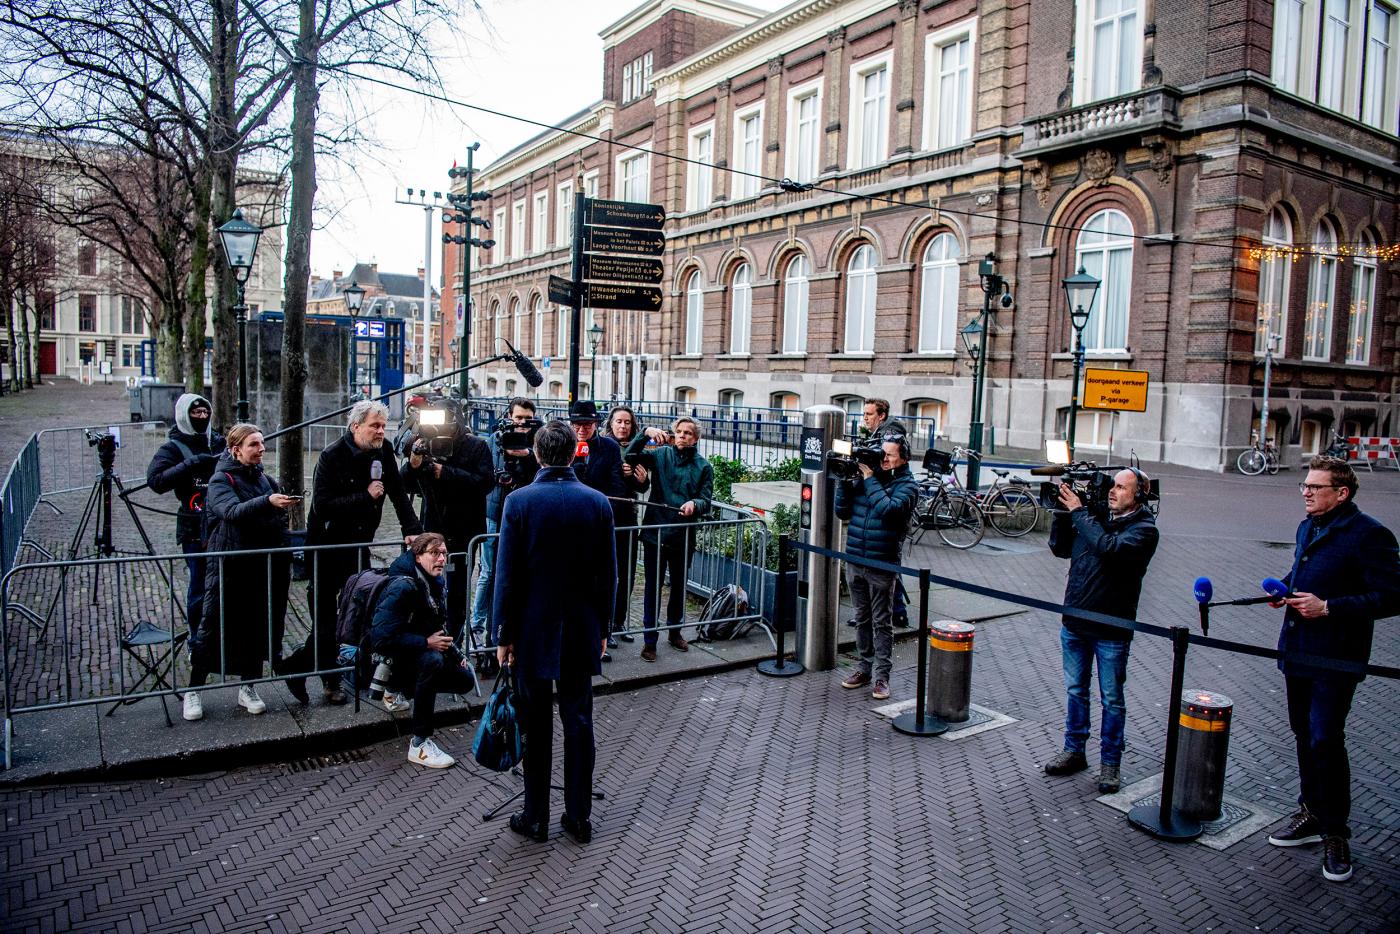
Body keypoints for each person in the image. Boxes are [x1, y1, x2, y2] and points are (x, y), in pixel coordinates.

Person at [1264, 456, 1399, 883]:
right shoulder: (1308, 526)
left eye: (1314, 487)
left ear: (1341, 493)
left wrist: (1329, 608)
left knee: (1325, 738)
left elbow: (1392, 596)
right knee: (1303, 734)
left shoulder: (1370, 534)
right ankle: (1311, 813)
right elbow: (1302, 570)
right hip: (1298, 651)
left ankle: (1336, 833)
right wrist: (1284, 589)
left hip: (1336, 657)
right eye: (1304, 485)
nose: (1305, 492)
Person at [494, 420, 615, 844]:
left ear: (538, 454)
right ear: (573, 452)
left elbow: (507, 575)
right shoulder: (597, 502)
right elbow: (608, 575)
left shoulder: (519, 502)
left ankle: (536, 816)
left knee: (535, 723)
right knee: (579, 722)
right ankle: (579, 817)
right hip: (582, 627)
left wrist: (503, 634)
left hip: (531, 630)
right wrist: (604, 626)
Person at [284, 400, 422, 705]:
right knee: (325, 620)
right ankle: (329, 680)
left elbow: (398, 493)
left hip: (359, 546)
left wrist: (411, 528)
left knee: (355, 614)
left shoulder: (384, 451)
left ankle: (299, 666)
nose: (381, 431)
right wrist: (365, 496)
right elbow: (322, 505)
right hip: (326, 547)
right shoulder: (331, 456)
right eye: (375, 426)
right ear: (356, 426)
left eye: (383, 426)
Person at [1043, 468, 1159, 794]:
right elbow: (1060, 548)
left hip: (1111, 627)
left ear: (1139, 495)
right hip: (1076, 621)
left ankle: (1110, 763)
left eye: (1122, 487)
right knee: (1076, 690)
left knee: (1112, 699)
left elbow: (1110, 548)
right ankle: (1074, 750)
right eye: (1113, 485)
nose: (1113, 491)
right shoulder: (1093, 517)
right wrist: (1063, 513)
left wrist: (1079, 512)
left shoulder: (1144, 530)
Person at [183, 424, 294, 722]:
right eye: (253, 444)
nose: (261, 449)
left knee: (256, 627)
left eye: (262, 443)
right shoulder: (221, 479)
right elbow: (231, 511)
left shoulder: (265, 480)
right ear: (236, 450)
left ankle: (248, 686)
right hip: (229, 566)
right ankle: (193, 690)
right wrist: (267, 502)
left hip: (260, 566)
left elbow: (276, 518)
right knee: (213, 626)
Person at [369, 533, 478, 768]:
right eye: (434, 554)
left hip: (410, 652)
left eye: (444, 554)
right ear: (418, 557)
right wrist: (426, 643)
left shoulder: (432, 581)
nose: (441, 559)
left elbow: (435, 625)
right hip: (387, 657)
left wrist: (455, 654)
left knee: (465, 679)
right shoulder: (403, 586)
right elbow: (381, 638)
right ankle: (419, 744)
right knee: (432, 662)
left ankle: (395, 689)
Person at [833, 435, 920, 700]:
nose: (884, 459)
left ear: (904, 458)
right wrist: (844, 480)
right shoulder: (867, 478)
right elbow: (842, 512)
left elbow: (889, 511)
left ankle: (882, 677)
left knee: (882, 622)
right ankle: (863, 668)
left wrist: (870, 480)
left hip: (882, 562)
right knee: (862, 618)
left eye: (890, 455)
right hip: (856, 558)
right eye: (882, 454)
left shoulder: (908, 486)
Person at [399, 401, 494, 638]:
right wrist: (413, 463)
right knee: (427, 582)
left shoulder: (476, 446)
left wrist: (445, 472)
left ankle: (455, 636)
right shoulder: (425, 443)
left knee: (458, 589)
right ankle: (431, 633)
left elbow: (485, 483)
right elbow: (405, 485)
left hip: (464, 530)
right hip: (433, 526)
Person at [630, 416, 713, 661]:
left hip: (683, 534)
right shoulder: (661, 455)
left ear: (696, 438)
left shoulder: (703, 466)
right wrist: (645, 433)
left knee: (678, 586)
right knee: (652, 588)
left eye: (688, 433)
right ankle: (649, 640)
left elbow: (706, 500)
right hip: (655, 532)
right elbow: (630, 456)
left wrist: (694, 504)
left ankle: (675, 632)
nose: (682, 436)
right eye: (679, 431)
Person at [146, 393, 226, 633]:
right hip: (193, 527)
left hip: (222, 523)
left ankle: (221, 637)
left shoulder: (218, 442)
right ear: (185, 415)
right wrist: (189, 465)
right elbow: (156, 480)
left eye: (205, 412)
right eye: (196, 413)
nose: (202, 416)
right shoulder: (173, 447)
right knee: (199, 586)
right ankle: (197, 639)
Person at [471, 397, 541, 643]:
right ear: (509, 417)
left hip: (524, 515)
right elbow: (484, 473)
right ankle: (477, 624)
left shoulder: (538, 443)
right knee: (488, 572)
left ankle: (511, 623)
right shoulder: (494, 439)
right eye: (518, 417)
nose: (522, 423)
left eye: (527, 419)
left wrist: (528, 456)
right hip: (494, 511)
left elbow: (540, 475)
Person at [569, 400, 627, 661]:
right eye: (577, 424)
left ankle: (602, 633)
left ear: (595, 424)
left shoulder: (609, 448)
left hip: (598, 525)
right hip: (571, 526)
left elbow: (617, 487)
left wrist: (600, 514)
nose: (582, 429)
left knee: (601, 583)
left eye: (587, 424)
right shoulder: (564, 445)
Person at [604, 406, 649, 647]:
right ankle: (604, 625)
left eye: (627, 422)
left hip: (628, 518)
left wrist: (641, 480)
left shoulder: (636, 450)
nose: (623, 426)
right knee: (606, 575)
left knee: (627, 573)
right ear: (611, 423)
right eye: (619, 421)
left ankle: (619, 621)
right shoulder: (603, 446)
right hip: (605, 518)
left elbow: (641, 486)